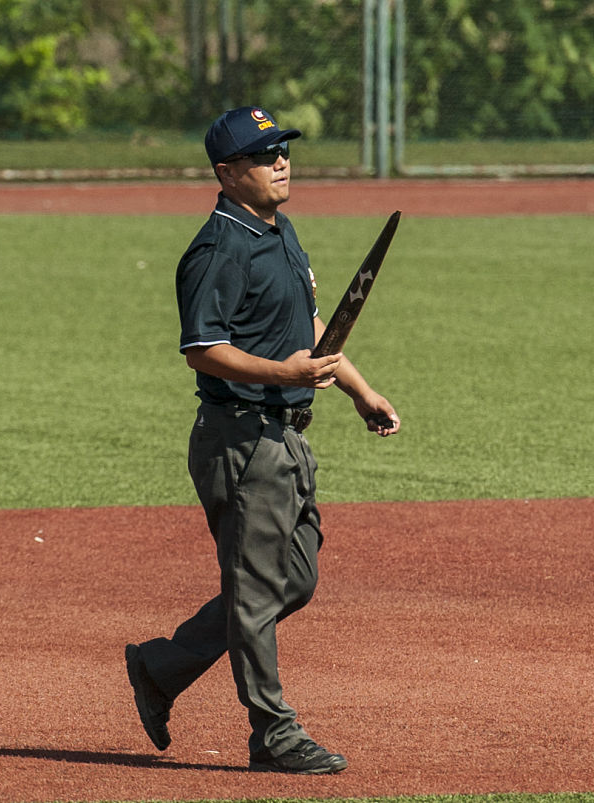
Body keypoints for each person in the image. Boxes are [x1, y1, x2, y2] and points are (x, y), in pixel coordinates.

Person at [124, 106, 401, 775]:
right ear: (228, 172)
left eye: (283, 150)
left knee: (291, 580)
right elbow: (201, 348)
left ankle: (162, 665)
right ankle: (273, 733)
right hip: (240, 440)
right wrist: (286, 373)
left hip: (285, 437)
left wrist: (361, 390)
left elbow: (312, 324)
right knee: (253, 590)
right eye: (264, 154)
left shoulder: (278, 230)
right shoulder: (218, 247)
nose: (281, 162)